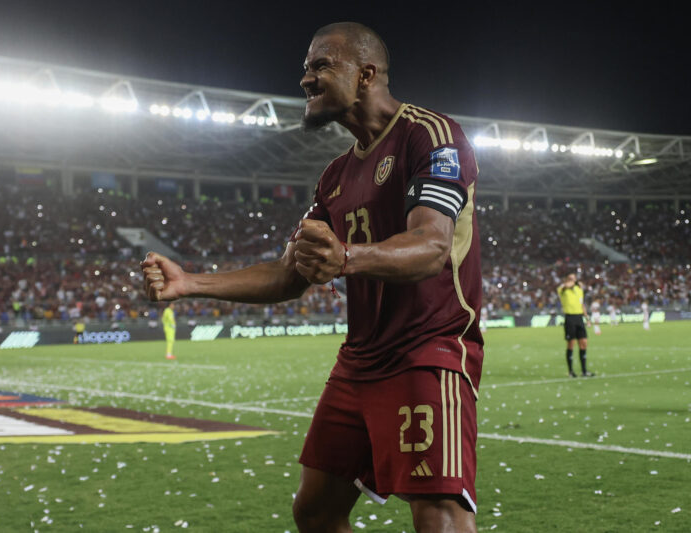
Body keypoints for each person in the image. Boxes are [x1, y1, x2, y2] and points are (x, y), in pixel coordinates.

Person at [141, 21, 483, 532]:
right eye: (306, 67)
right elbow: (288, 276)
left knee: (436, 512)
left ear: (366, 74)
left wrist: (345, 257)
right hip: (359, 362)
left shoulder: (429, 134)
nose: (305, 79)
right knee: (316, 510)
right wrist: (191, 283)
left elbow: (431, 247)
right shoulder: (335, 176)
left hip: (427, 351)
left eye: (320, 65)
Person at [557, 273, 593, 377]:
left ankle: (584, 371)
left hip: (579, 318)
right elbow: (566, 286)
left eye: (574, 278)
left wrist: (587, 318)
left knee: (584, 342)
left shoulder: (579, 290)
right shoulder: (562, 289)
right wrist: (573, 282)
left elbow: (582, 305)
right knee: (571, 344)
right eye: (570, 278)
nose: (573, 280)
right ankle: (571, 371)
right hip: (570, 318)